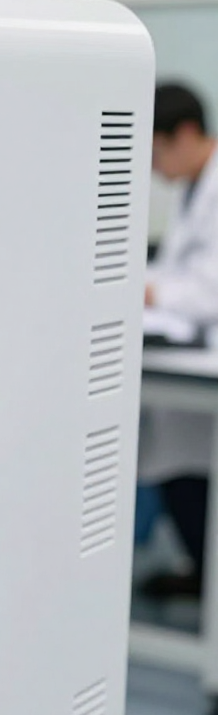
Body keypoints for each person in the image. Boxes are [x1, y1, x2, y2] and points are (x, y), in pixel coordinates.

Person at [139, 81, 218, 598]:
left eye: (157, 150)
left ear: (185, 133)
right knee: (176, 467)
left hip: (204, 358)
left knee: (187, 470)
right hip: (188, 354)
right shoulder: (196, 187)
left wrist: (151, 290)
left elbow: (209, 288)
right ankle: (200, 574)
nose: (152, 167)